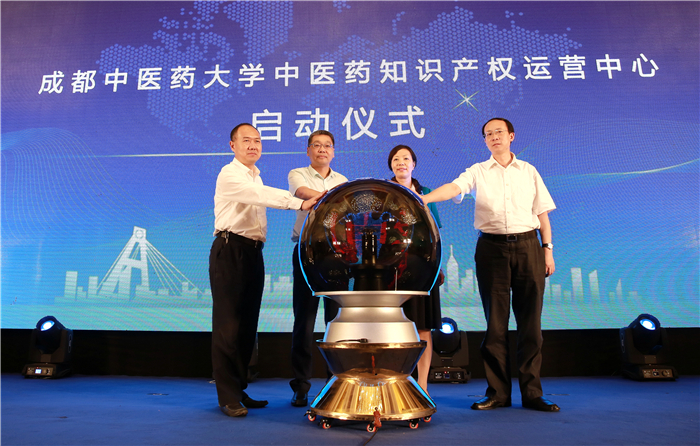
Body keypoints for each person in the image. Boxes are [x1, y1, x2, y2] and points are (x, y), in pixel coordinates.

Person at [422, 118, 560, 412]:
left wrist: (547, 251)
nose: (494, 137)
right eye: (488, 134)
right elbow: (454, 187)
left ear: (511, 136)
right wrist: (425, 199)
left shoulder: (529, 171)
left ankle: (532, 393)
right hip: (491, 249)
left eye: (499, 132)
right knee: (495, 326)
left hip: (528, 246)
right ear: (485, 141)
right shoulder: (478, 171)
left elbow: (543, 215)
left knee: (531, 325)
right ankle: (498, 393)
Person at [210, 123, 324, 418]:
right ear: (232, 145)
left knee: (247, 325)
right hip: (230, 249)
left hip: (252, 251)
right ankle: (227, 396)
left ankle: (239, 389)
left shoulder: (255, 175)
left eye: (257, 141)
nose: (253, 145)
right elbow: (260, 196)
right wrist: (300, 203)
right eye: (246, 140)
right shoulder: (229, 174)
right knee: (228, 325)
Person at [288, 130, 348, 407]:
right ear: (308, 150)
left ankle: (335, 382)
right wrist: (336, 198)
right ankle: (301, 385)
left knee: (335, 320)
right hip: (306, 250)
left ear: (333, 151)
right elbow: (302, 193)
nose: (322, 149)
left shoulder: (343, 181)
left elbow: (348, 210)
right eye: (317, 145)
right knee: (304, 320)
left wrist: (338, 197)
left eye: (327, 146)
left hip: (336, 255)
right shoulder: (297, 174)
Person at [387, 144, 444, 393]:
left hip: (423, 268)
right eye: (396, 159)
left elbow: (436, 233)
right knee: (393, 325)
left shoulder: (427, 194)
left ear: (414, 165)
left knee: (423, 327)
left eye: (406, 158)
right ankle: (396, 381)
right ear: (391, 166)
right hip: (391, 269)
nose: (401, 162)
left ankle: (422, 385)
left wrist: (437, 266)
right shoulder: (384, 194)